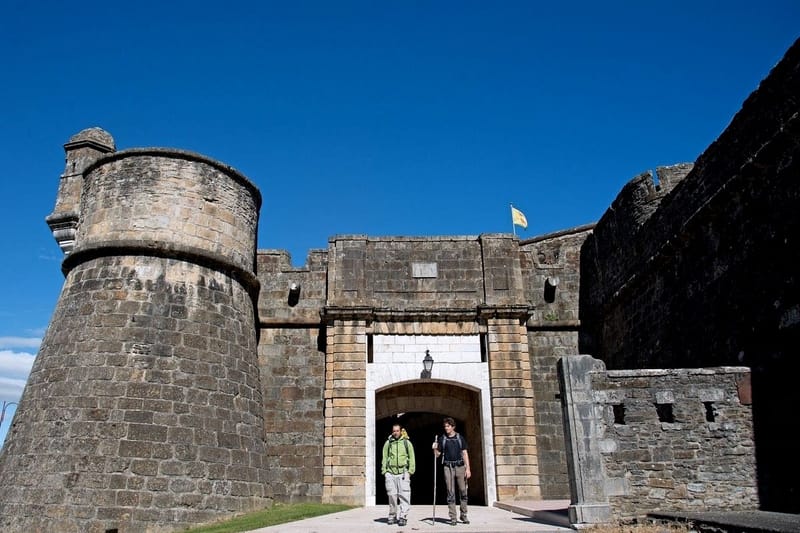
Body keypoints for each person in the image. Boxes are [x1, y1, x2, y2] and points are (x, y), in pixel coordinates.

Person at [432, 417, 470, 526]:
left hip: (460, 466)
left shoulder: (460, 438)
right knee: (450, 492)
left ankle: (463, 515)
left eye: (448, 426)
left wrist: (468, 468)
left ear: (453, 426)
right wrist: (434, 448)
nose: (446, 428)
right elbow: (437, 455)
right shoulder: (442, 439)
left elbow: (465, 453)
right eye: (445, 426)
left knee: (463, 491)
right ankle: (453, 517)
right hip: (447, 467)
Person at [381, 424, 416, 526]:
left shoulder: (407, 443)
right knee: (392, 495)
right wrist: (385, 472)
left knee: (404, 495)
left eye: (397, 431)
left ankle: (403, 516)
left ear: (401, 431)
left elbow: (412, 457)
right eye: (394, 431)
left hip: (403, 472)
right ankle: (392, 515)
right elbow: (384, 457)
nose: (395, 432)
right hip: (391, 472)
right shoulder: (388, 443)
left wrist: (410, 471)